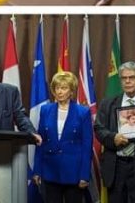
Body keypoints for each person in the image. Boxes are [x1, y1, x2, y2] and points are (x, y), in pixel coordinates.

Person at [95, 63, 135, 203]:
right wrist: (112, 137)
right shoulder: (108, 103)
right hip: (116, 167)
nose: (127, 81)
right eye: (124, 78)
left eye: (132, 77)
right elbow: (98, 128)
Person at [32, 72, 93, 203]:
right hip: (50, 170)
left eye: (64, 88)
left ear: (71, 91)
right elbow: (40, 142)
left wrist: (84, 175)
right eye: (57, 88)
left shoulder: (83, 112)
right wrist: (37, 170)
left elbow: (87, 146)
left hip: (74, 171)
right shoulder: (45, 110)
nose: (59, 92)